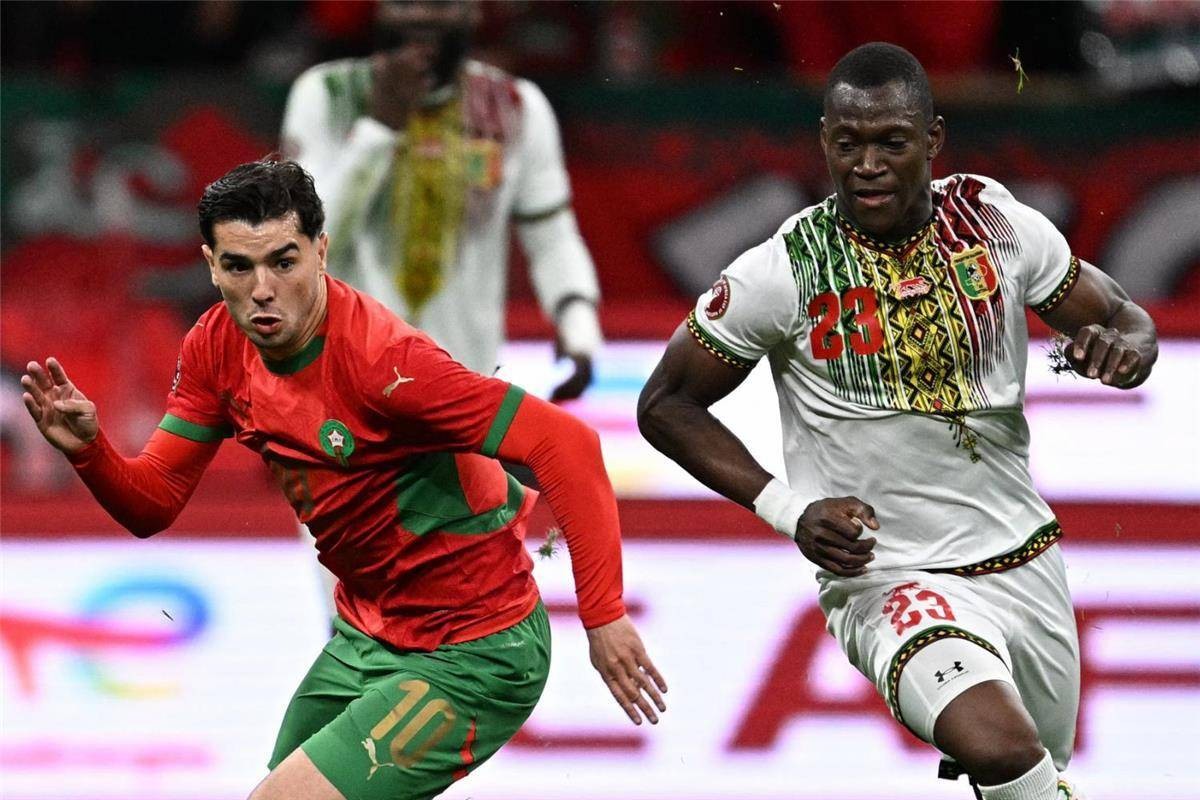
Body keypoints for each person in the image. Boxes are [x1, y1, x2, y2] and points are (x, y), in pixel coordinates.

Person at [21, 159, 666, 800]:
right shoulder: (216, 347)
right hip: (369, 633)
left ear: (321, 252)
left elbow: (567, 445)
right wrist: (91, 453)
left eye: (284, 262)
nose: (263, 289)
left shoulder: (386, 363)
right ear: (212, 266)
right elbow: (153, 504)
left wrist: (604, 616)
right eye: (239, 267)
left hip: (476, 649)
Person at [637, 42, 1155, 800]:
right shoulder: (783, 269)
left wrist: (1129, 350)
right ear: (824, 141)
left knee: (1035, 777)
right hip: (888, 577)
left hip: (1024, 558)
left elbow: (1123, 316)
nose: (868, 165)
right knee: (1004, 750)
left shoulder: (997, 225)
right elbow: (665, 404)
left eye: (892, 143)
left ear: (934, 140)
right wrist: (788, 509)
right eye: (848, 144)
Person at [281, 0, 600, 400]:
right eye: (404, 2)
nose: (420, 15)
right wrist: (378, 129)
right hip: (343, 384)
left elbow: (551, 235)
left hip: (463, 382)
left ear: (473, 10)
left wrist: (579, 328)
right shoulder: (327, 94)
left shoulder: (516, 106)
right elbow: (302, 242)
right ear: (380, 8)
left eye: (440, 3)